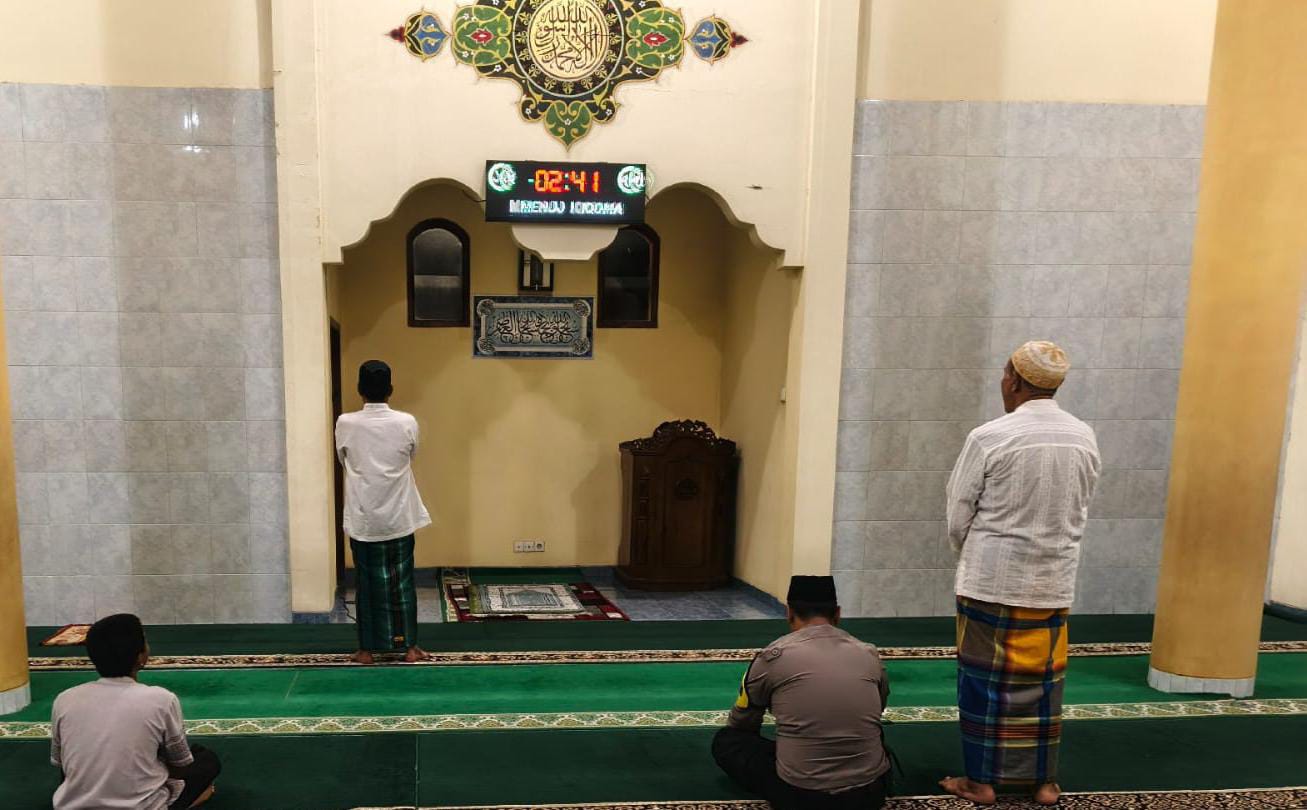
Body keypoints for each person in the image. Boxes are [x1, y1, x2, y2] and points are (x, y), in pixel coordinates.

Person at [940, 341, 1101, 806]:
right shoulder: (1083, 436)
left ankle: (982, 783)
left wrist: (971, 555)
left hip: (991, 582)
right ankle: (1043, 783)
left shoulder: (990, 436)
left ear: (1013, 380)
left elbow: (958, 513)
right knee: (1044, 686)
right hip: (1052, 582)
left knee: (983, 685)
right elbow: (1082, 507)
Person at [712, 575, 892, 810]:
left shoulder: (773, 657)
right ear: (837, 613)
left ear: (789, 613)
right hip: (869, 794)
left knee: (727, 742)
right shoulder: (869, 654)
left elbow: (742, 723)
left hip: (800, 796)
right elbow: (878, 708)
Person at [50, 614, 220, 810]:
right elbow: (180, 767)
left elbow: (61, 763)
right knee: (207, 760)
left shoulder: (64, 699)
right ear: (141, 656)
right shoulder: (162, 700)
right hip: (141, 805)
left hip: (74, 804)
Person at [336, 359, 432, 664]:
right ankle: (410, 648)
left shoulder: (345, 423)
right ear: (390, 389)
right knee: (402, 584)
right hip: (399, 515)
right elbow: (411, 455)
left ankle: (366, 651)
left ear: (359, 390)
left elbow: (343, 459)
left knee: (366, 586)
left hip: (364, 517)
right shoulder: (406, 422)